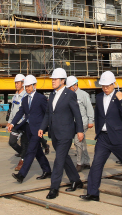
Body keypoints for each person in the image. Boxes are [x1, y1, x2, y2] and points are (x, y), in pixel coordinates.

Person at [80, 71, 122, 202]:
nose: (105, 88)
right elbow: (99, 116)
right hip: (103, 138)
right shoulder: (99, 97)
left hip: (117, 137)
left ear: (113, 84)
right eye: (103, 86)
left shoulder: (120, 96)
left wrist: (121, 100)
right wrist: (98, 133)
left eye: (107, 86)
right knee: (96, 164)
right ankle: (93, 193)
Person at [38, 68, 84, 200]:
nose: (52, 81)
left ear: (62, 81)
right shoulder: (52, 95)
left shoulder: (70, 95)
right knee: (65, 158)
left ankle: (54, 188)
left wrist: (80, 130)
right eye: (52, 79)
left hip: (66, 133)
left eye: (55, 79)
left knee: (58, 160)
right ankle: (76, 180)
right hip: (54, 133)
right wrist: (42, 127)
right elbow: (48, 113)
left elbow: (77, 114)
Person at [9, 75, 51, 183]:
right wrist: (13, 123)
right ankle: (47, 170)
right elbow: (20, 112)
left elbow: (47, 113)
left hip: (38, 129)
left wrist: (44, 127)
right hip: (28, 129)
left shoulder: (40, 98)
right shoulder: (25, 99)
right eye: (26, 86)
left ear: (34, 85)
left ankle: (21, 175)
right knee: (37, 151)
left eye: (29, 86)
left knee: (30, 151)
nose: (27, 88)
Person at [67, 76, 94, 171]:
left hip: (83, 122)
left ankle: (79, 163)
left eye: (70, 87)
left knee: (77, 141)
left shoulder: (83, 95)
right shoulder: (69, 95)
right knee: (82, 142)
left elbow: (89, 108)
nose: (69, 89)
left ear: (75, 85)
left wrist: (91, 121)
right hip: (74, 123)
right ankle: (86, 162)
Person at [7, 75, 27, 170]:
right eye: (15, 83)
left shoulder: (26, 96)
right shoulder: (15, 96)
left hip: (24, 124)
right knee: (12, 142)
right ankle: (23, 153)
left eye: (18, 83)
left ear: (23, 84)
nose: (16, 84)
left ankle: (22, 160)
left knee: (24, 143)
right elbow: (12, 110)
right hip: (15, 123)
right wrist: (10, 122)